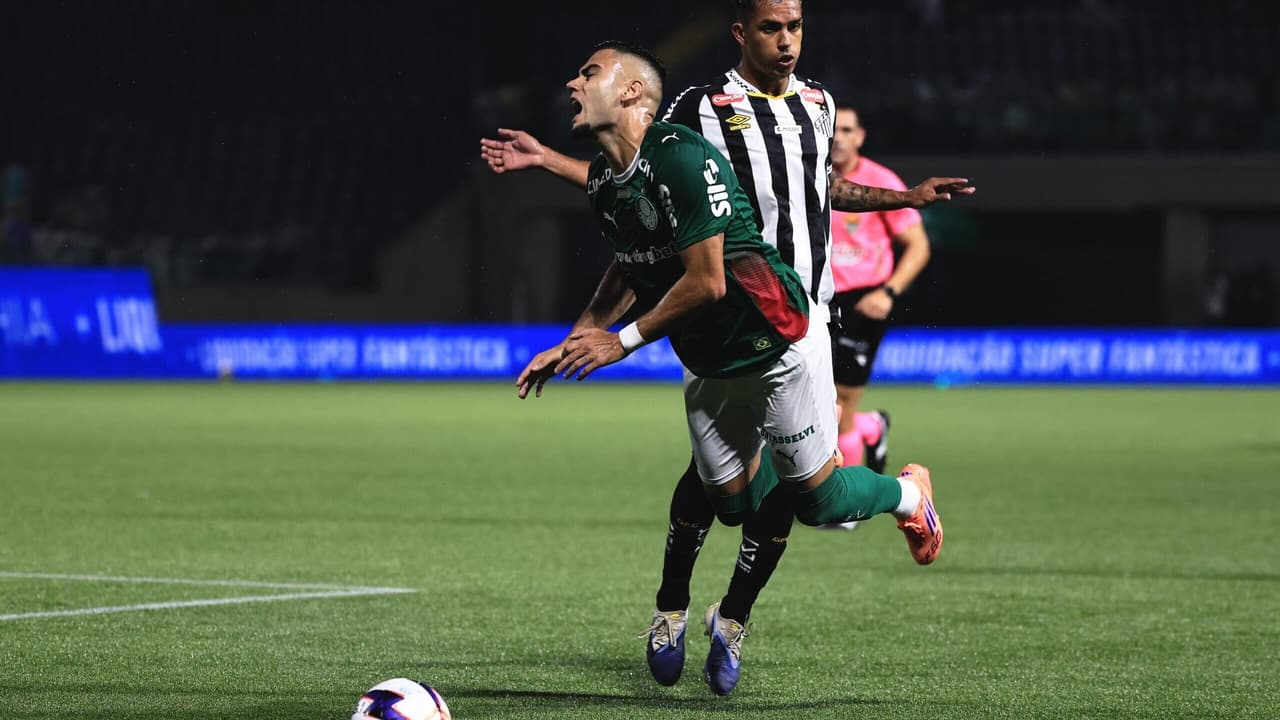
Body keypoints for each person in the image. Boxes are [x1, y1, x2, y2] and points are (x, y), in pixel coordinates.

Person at [482, 0, 971, 697]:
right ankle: (699, 602)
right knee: (737, 500)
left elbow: (818, 188)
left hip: (789, 315)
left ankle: (886, 505)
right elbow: (635, 177)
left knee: (815, 497)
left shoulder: (819, 105)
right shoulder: (696, 110)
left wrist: (904, 198)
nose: (788, 40)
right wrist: (550, 170)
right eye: (773, 26)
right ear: (741, 31)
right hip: (711, 330)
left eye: (796, 25)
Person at [828, 105, 933, 477]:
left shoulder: (879, 181)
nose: (838, 136)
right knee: (814, 403)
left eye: (847, 129)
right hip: (817, 300)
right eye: (832, 128)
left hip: (864, 301)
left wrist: (887, 293)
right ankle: (871, 426)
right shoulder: (807, 175)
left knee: (839, 402)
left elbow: (918, 245)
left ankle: (846, 507)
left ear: (860, 136)